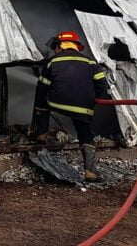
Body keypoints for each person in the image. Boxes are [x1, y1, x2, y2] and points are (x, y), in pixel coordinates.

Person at [30, 31, 110, 182]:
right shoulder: (90, 62)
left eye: (56, 48)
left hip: (57, 101)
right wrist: (93, 99)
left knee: (42, 98)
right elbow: (102, 84)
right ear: (75, 46)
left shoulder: (52, 61)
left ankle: (41, 133)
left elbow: (42, 86)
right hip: (83, 106)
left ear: (60, 46)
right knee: (86, 134)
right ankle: (90, 171)